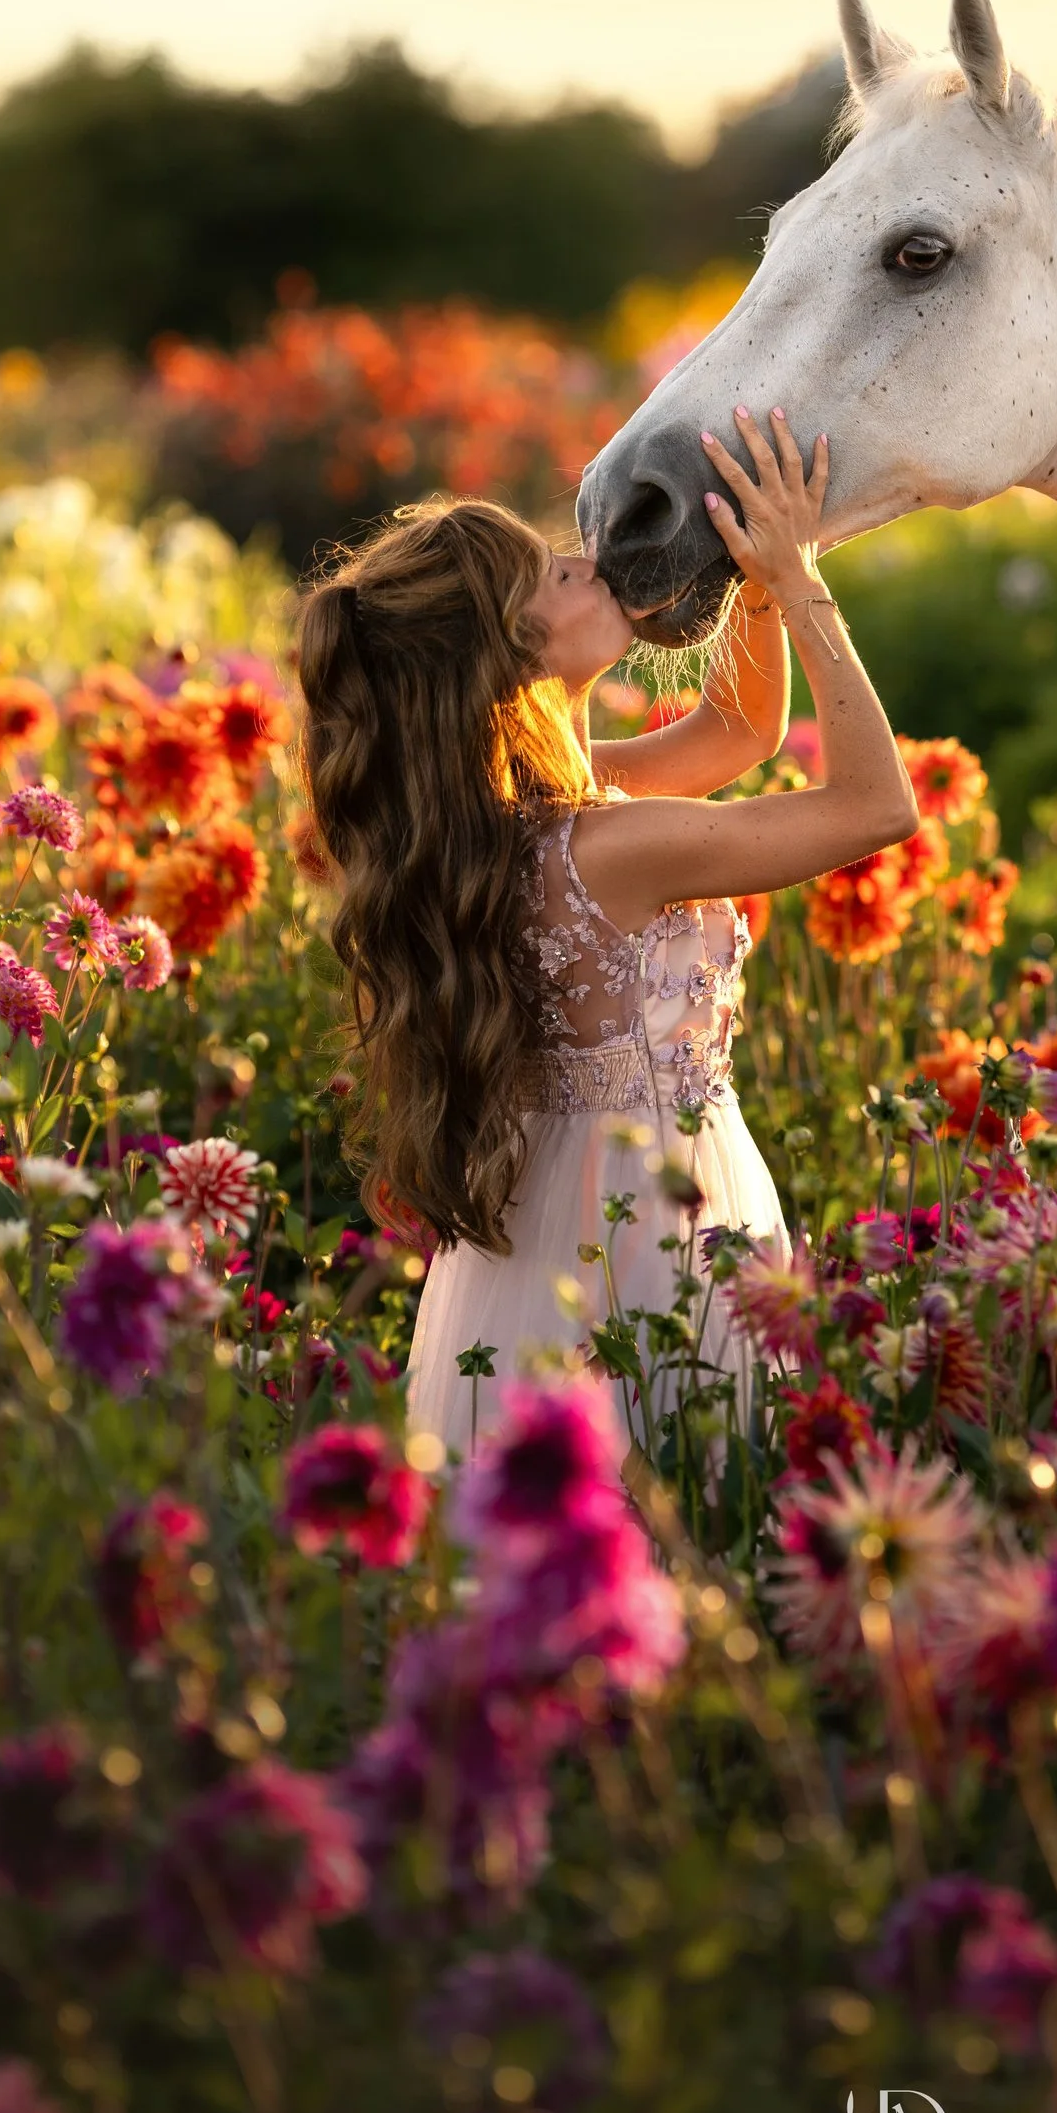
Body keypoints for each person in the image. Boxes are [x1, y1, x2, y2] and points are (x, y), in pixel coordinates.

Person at [293, 405, 918, 1457]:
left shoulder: (517, 811)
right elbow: (873, 808)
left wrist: (748, 583)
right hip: (648, 1238)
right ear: (508, 659)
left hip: (550, 1235)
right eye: (554, 575)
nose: (591, 563)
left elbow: (738, 732)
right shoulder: (605, 849)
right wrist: (803, 584)